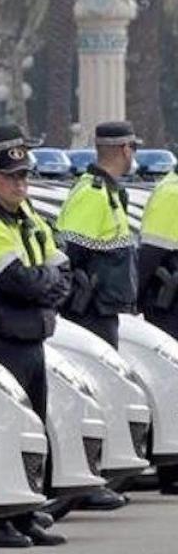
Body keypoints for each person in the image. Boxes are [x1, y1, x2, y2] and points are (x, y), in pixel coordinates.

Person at [0, 124, 72, 548]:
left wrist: (46, 280)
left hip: (32, 338)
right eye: (11, 178)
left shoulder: (28, 218)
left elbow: (63, 274)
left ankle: (25, 512)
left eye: (24, 176)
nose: (20, 184)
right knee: (6, 432)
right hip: (3, 341)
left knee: (32, 430)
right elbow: (21, 282)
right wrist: (47, 280)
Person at [56, 121, 140, 348]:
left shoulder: (107, 191)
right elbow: (69, 254)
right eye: (133, 148)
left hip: (101, 311)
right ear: (125, 149)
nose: (133, 154)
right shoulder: (93, 194)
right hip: (89, 315)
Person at [138, 163, 178, 494]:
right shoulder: (171, 193)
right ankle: (171, 471)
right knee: (171, 387)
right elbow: (151, 256)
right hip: (169, 307)